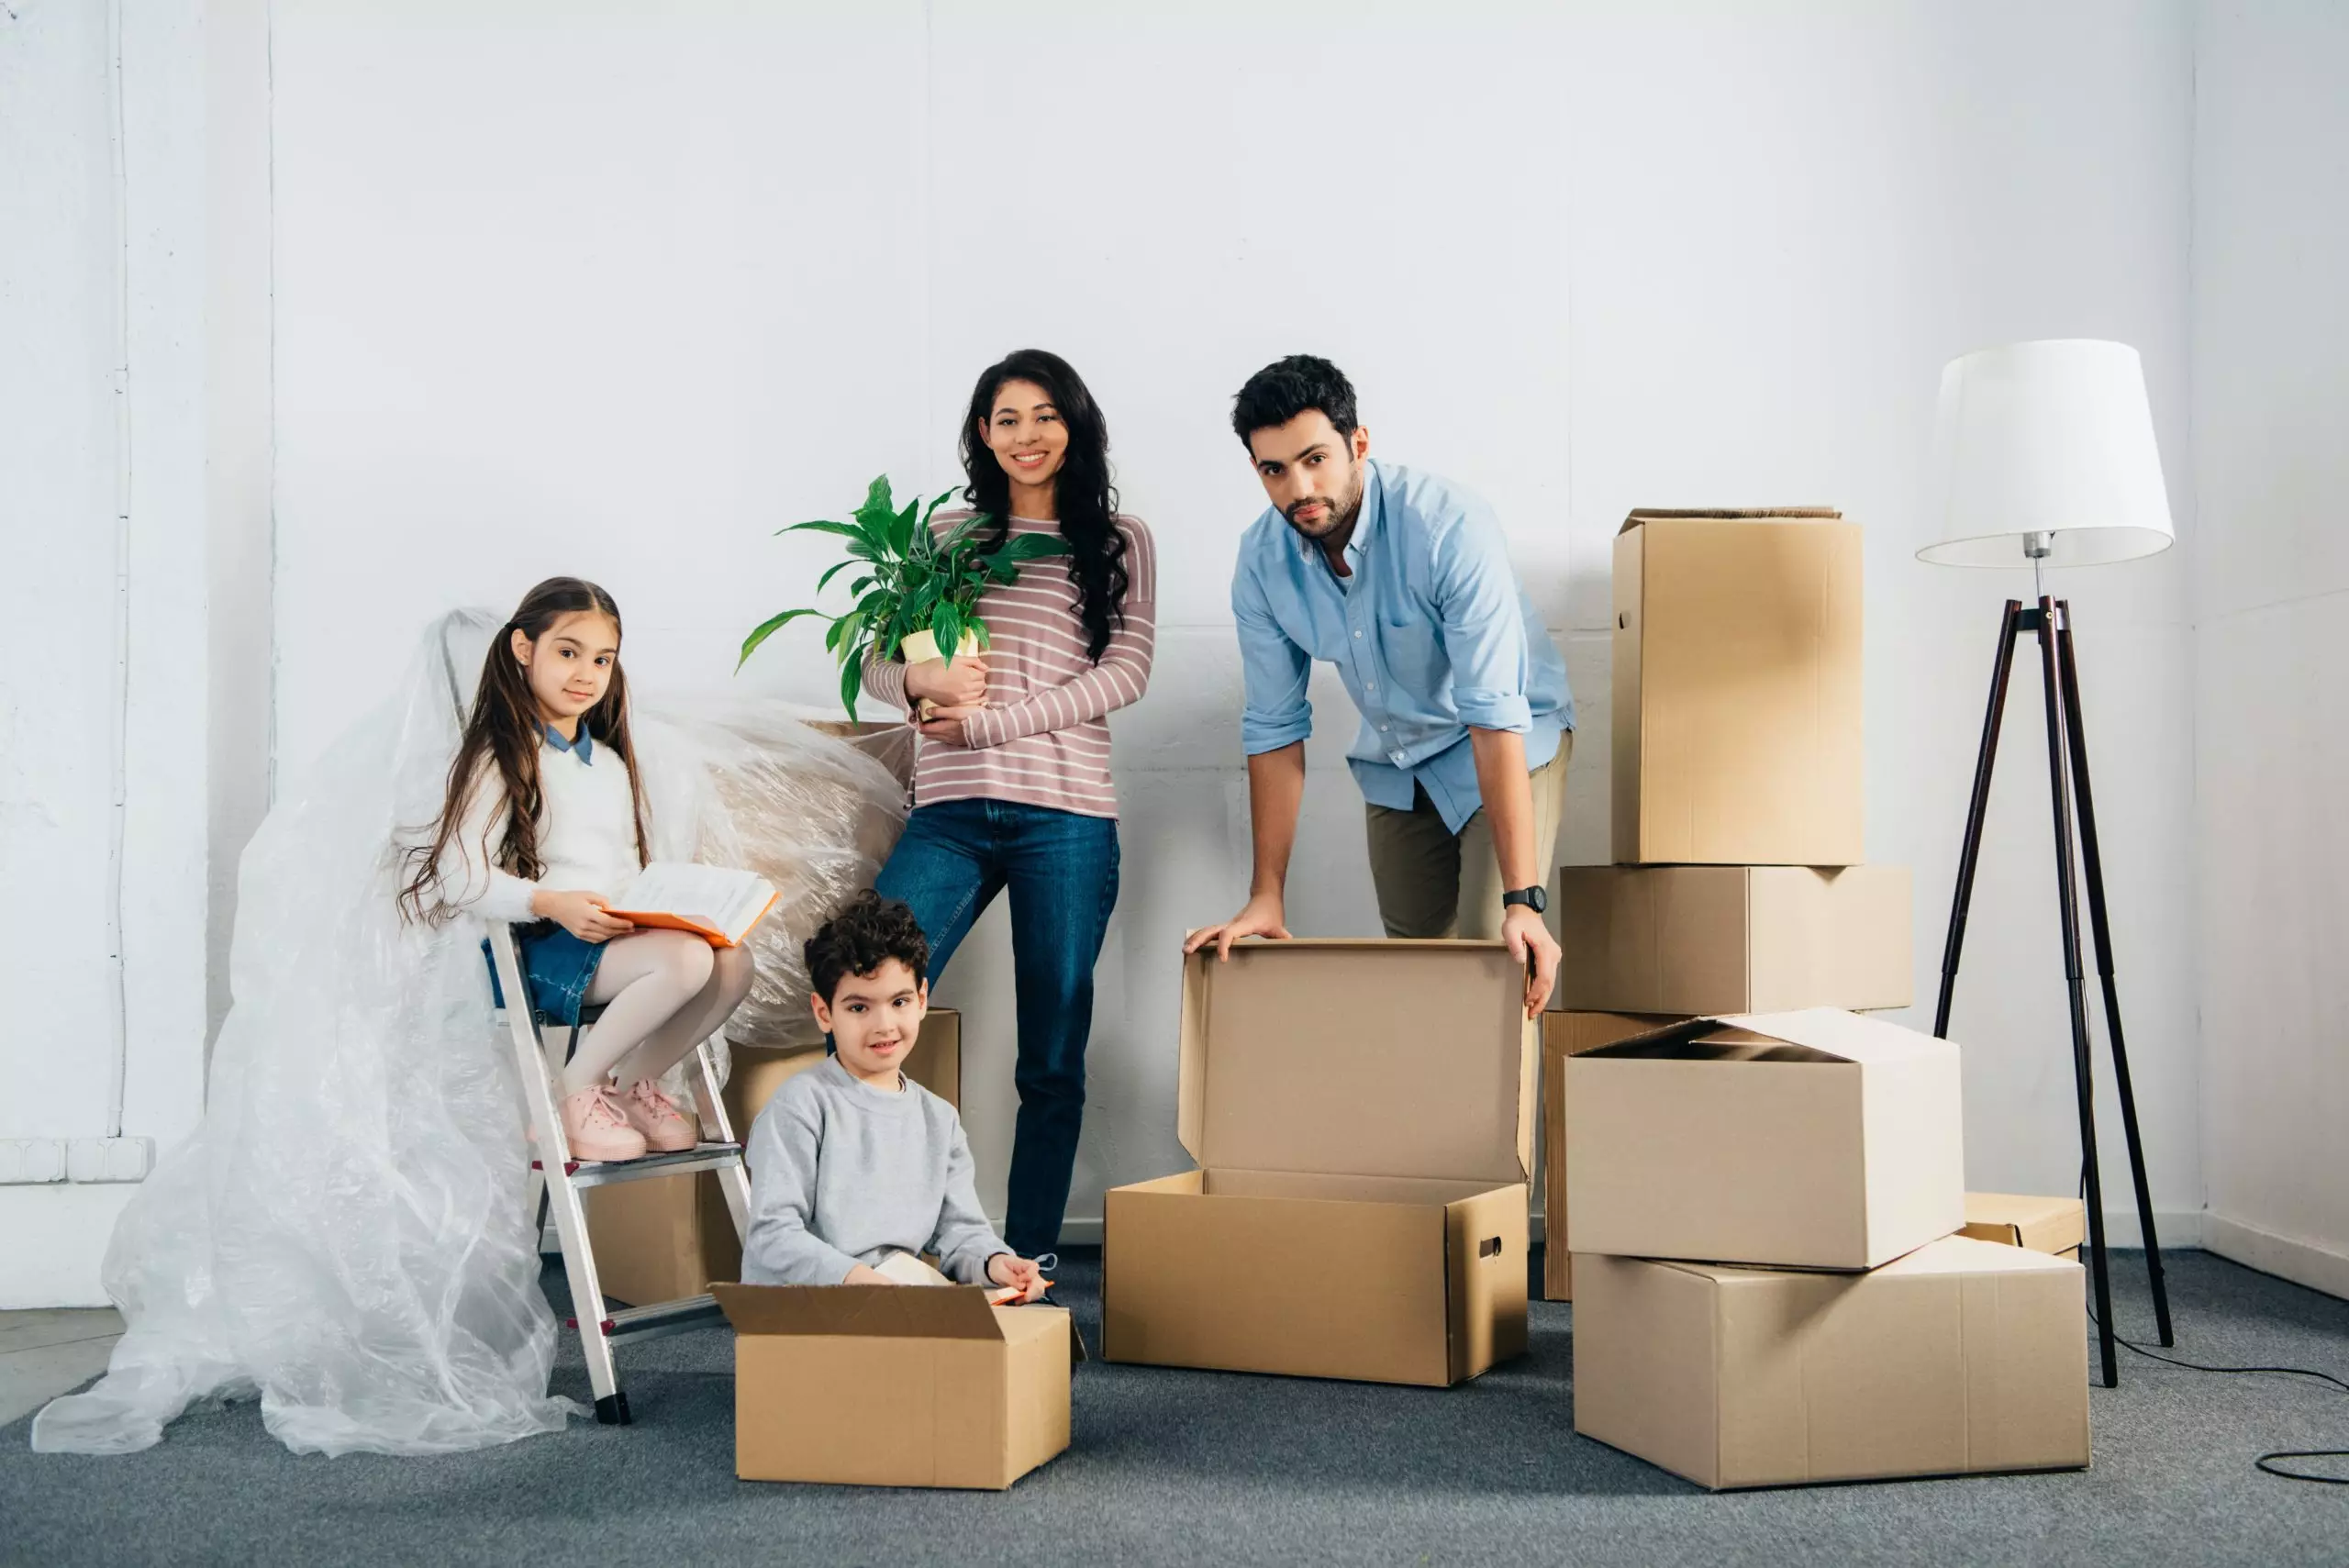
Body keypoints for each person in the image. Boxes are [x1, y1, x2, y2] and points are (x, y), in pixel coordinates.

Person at [863, 348, 1155, 1260]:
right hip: (948, 809)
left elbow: (1128, 671)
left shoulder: (1119, 539)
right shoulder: (945, 536)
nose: (1026, 435)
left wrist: (995, 724)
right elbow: (875, 663)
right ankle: (881, 1241)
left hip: (1065, 816)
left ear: (1074, 424)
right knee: (871, 994)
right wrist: (917, 680)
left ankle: (1025, 1259)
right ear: (981, 435)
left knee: (1051, 1055)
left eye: (1043, 415)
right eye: (1005, 419)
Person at [1187, 356, 1572, 1018]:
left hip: (1509, 739)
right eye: (1273, 469)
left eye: (1314, 458)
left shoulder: (1450, 527)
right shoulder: (1261, 562)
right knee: (1417, 989)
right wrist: (1266, 895)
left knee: (1494, 970)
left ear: (1357, 443)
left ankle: (1502, 1123)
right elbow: (1275, 728)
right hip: (1399, 763)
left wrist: (1523, 900)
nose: (1298, 486)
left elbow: (1491, 713)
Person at [404, 577, 755, 1162]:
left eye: (602, 660)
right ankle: (570, 1094)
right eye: (568, 652)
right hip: (541, 949)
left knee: (734, 963)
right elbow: (458, 876)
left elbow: (618, 870)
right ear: (524, 649)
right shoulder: (503, 756)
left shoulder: (611, 763)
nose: (586, 674)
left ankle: (630, 1088)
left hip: (612, 939)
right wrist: (550, 902)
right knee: (688, 959)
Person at [741, 892, 1048, 1299]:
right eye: (858, 1008)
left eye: (899, 1002)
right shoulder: (799, 1106)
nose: (884, 1025)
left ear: (922, 1000)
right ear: (824, 1013)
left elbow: (959, 1230)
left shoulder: (940, 1119)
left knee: (1025, 1337)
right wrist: (862, 1282)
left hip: (893, 1293)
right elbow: (774, 1236)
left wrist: (995, 1263)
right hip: (809, 1301)